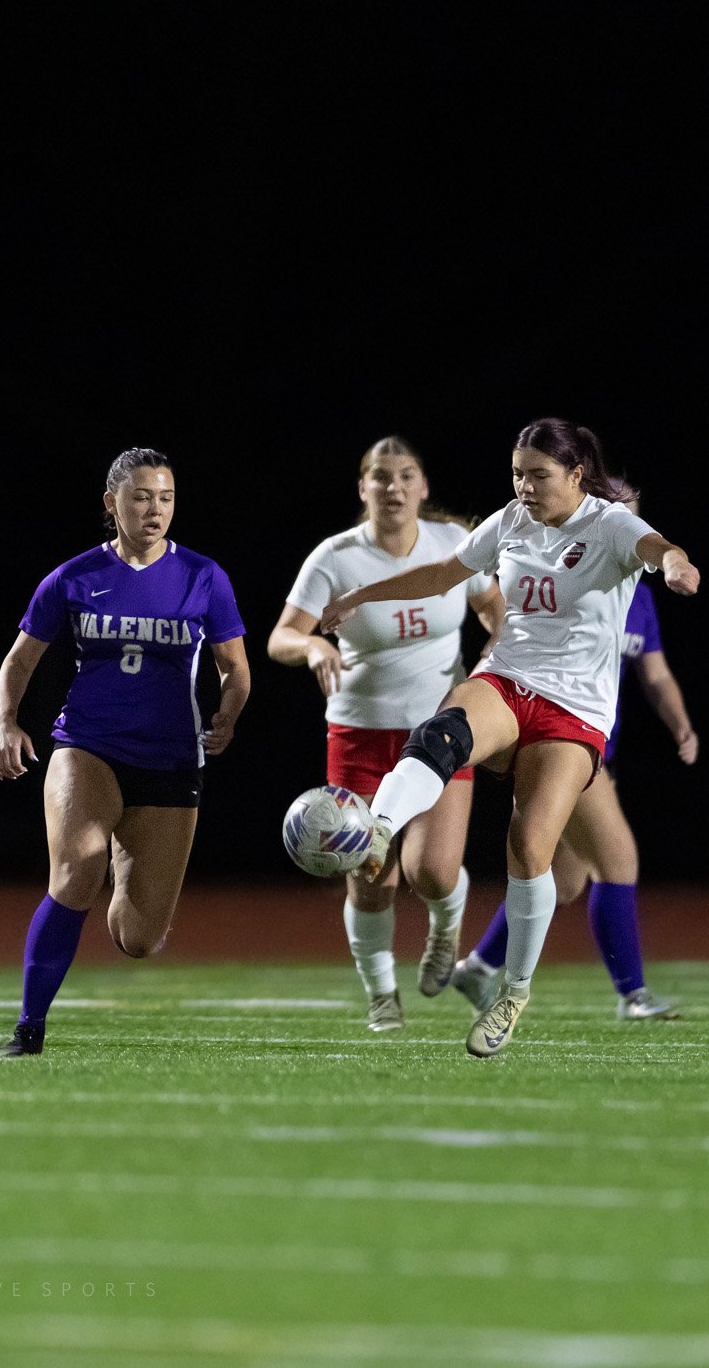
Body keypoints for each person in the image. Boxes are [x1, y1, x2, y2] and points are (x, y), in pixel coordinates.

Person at [320, 418, 699, 1057]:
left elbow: (659, 548)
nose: (524, 486)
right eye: (518, 473)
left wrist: (676, 563)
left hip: (574, 710)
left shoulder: (609, 523)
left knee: (529, 847)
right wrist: (362, 594)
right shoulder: (513, 520)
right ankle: (378, 828)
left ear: (576, 475)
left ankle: (511, 994)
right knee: (441, 734)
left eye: (538, 475)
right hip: (508, 677)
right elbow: (442, 574)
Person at [0, 448, 249, 1057]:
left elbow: (234, 667)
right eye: (141, 497)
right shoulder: (73, 576)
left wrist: (230, 713)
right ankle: (29, 1028)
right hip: (87, 745)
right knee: (78, 867)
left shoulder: (203, 576)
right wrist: (5, 723)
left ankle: (121, 872)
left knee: (139, 939)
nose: (155, 510)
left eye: (166, 498)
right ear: (112, 503)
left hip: (172, 760)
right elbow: (19, 661)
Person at [268, 436, 502, 1031]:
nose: (393, 487)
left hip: (441, 730)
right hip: (361, 734)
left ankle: (445, 933)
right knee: (371, 877)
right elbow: (280, 637)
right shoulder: (336, 557)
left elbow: (495, 609)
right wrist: (312, 645)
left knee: (432, 872)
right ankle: (381, 995)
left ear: (423, 487)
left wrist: (492, 657)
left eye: (405, 475)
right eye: (381, 476)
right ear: (363, 488)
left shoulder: (452, 544)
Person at [449, 572, 699, 1020]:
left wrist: (680, 724)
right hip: (561, 742)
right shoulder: (568, 578)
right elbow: (512, 638)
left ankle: (478, 968)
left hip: (599, 750)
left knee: (563, 882)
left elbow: (656, 673)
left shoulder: (638, 596)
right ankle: (633, 995)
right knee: (617, 860)